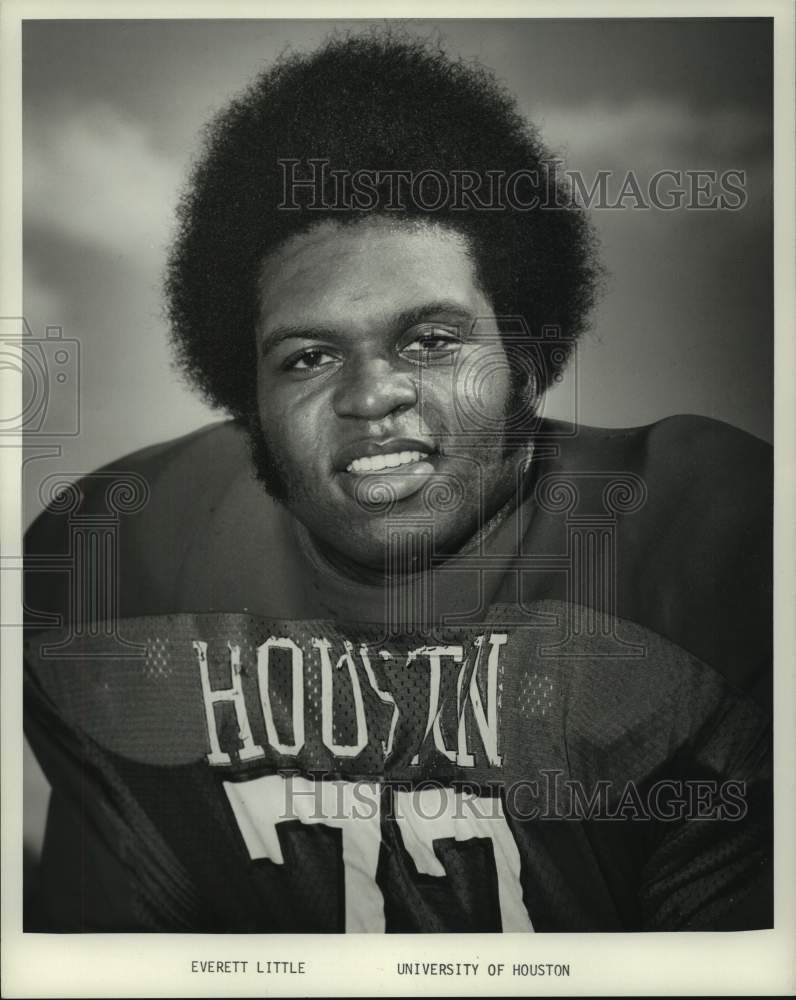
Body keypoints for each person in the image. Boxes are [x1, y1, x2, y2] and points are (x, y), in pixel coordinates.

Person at [23, 32, 772, 932]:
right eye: (307, 356)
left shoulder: (710, 545)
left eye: (431, 340)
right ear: (246, 395)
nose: (373, 394)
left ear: (526, 355)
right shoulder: (127, 567)